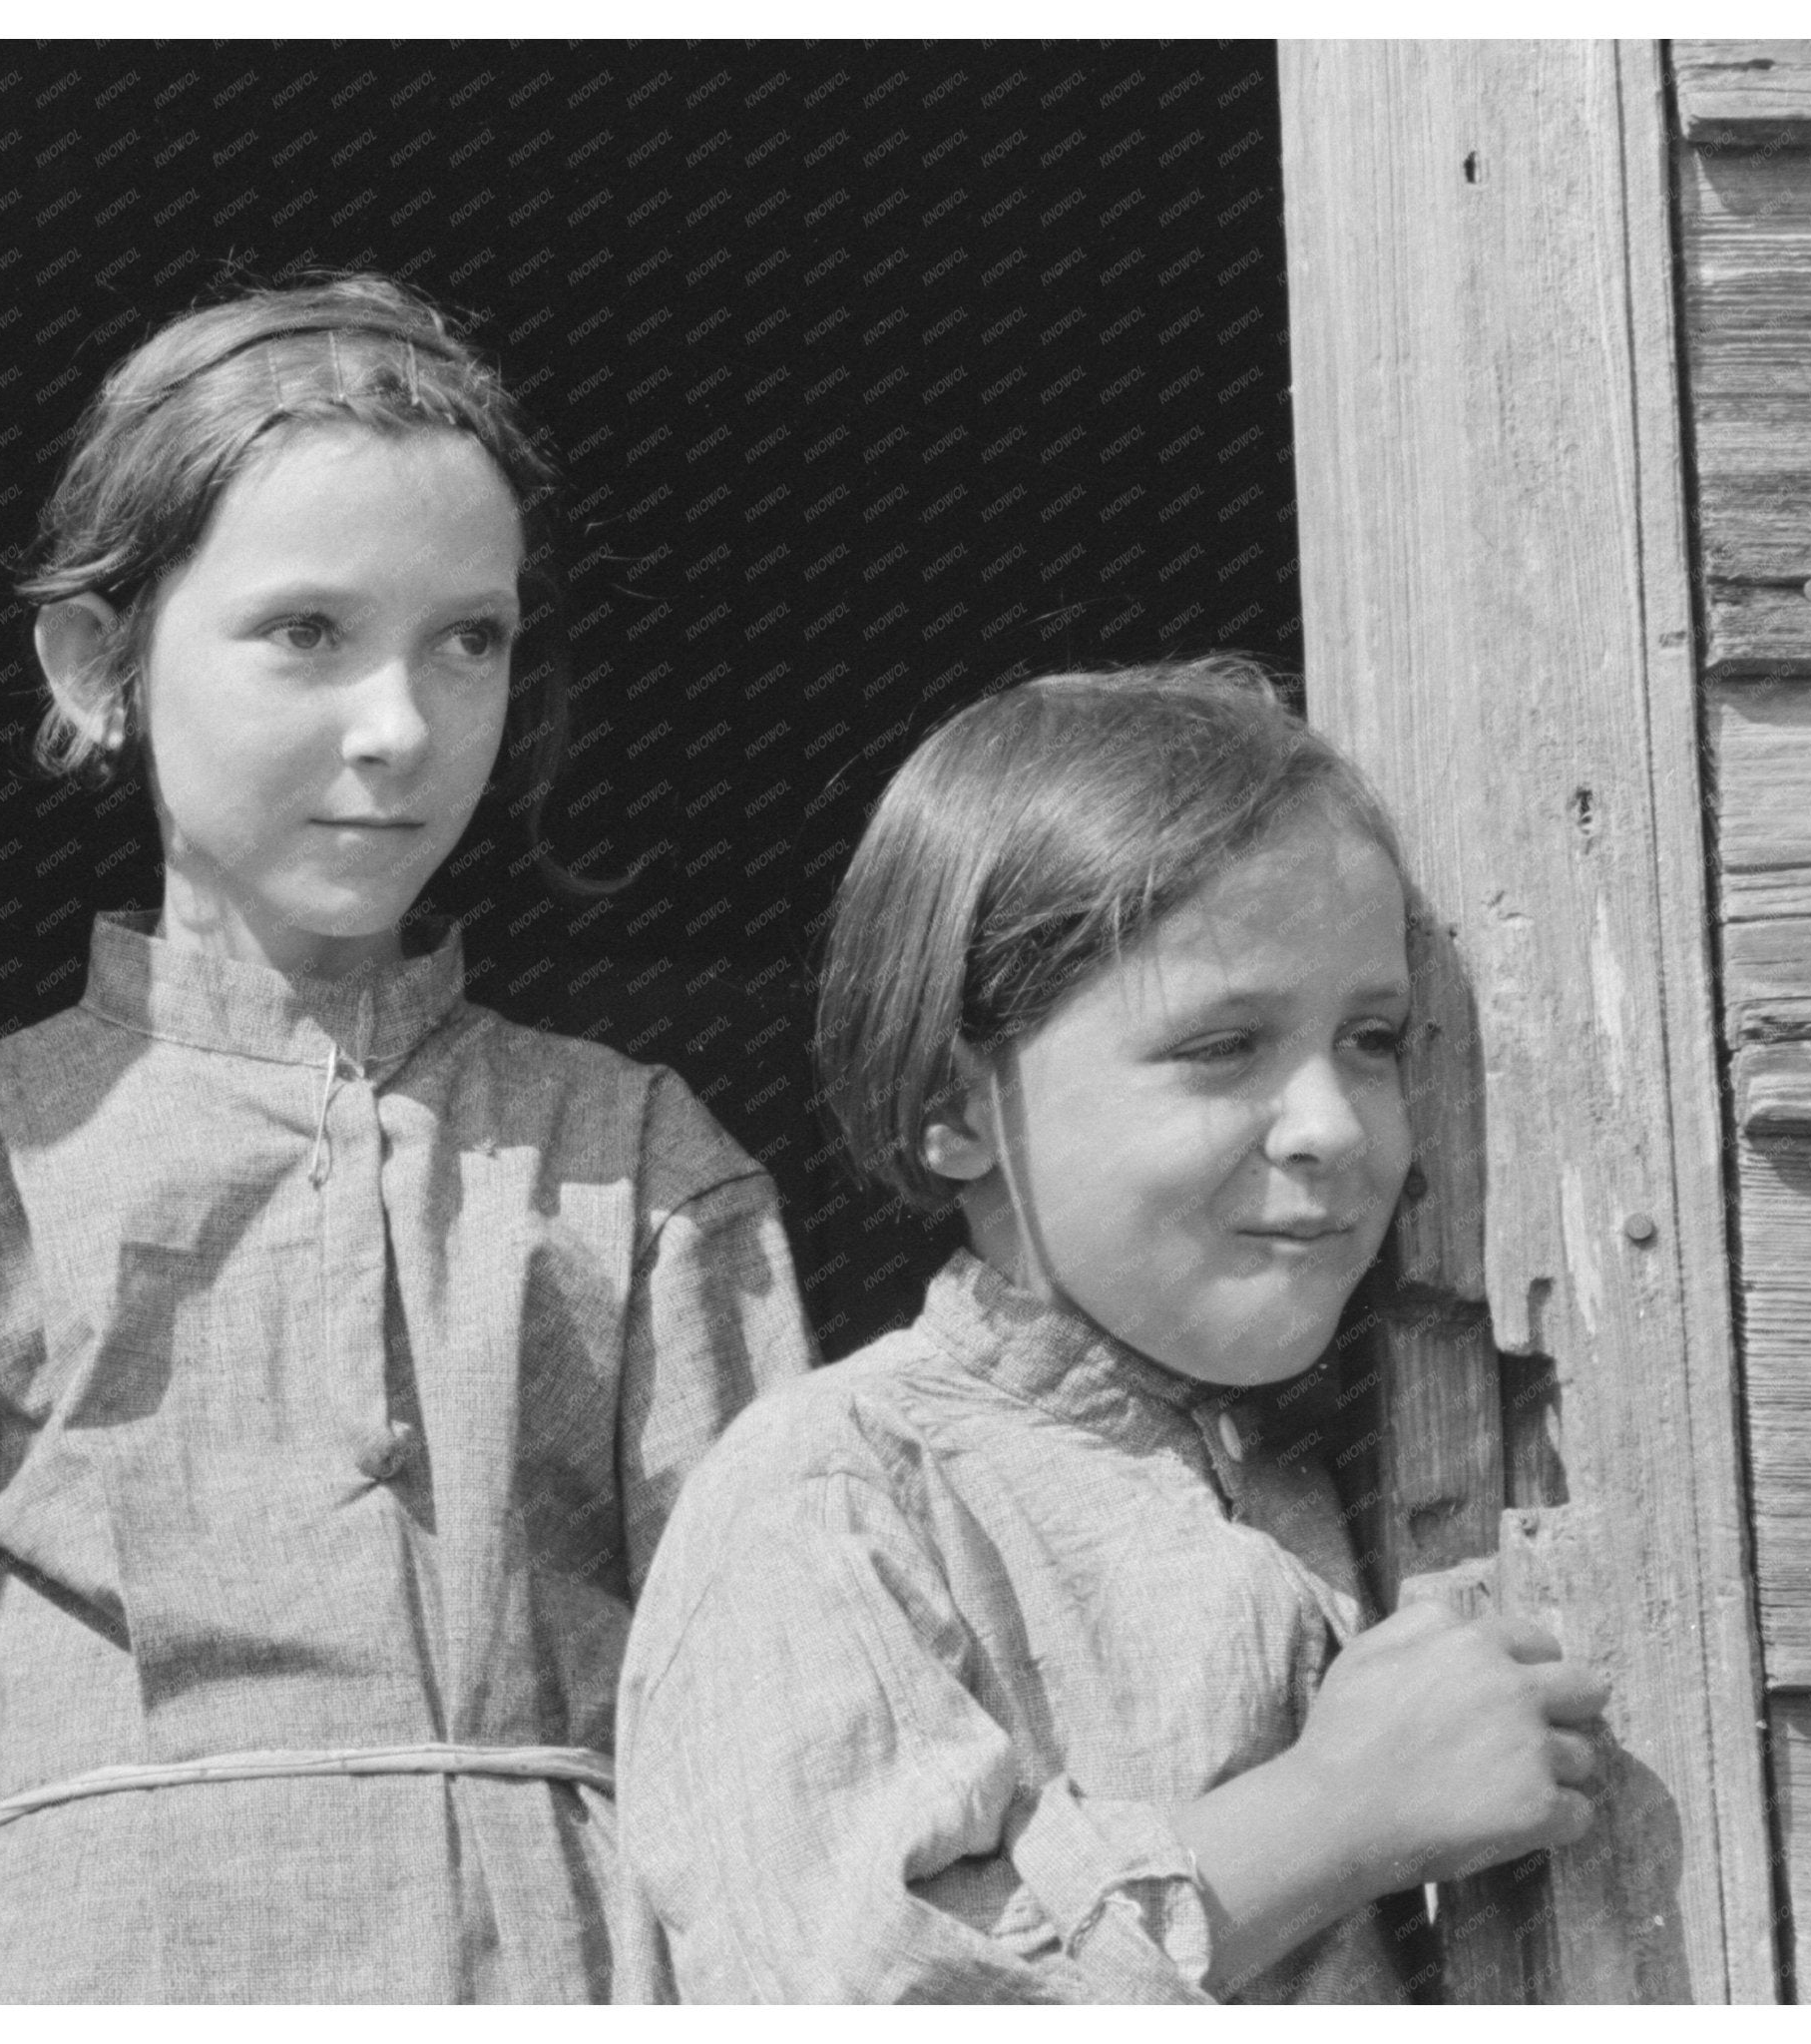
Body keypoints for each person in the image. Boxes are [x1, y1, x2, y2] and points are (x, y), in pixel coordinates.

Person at [0, 273, 815, 2003]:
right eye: (307, 631)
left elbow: (778, 1747)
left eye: (469, 638)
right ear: (100, 666)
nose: (401, 725)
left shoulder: (635, 1161)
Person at [615, 660, 1606, 2002]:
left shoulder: (1361, 1458)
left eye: (1372, 1039)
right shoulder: (833, 1498)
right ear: (955, 1102)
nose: (1330, 1125)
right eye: (1221, 1047)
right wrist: (1330, 1819)